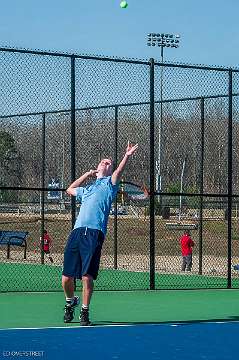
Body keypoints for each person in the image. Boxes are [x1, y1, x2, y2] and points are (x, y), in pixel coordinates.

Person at [62, 141, 138, 325]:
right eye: (103, 162)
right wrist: (86, 175)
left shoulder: (110, 184)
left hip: (94, 234)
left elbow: (119, 171)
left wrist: (126, 156)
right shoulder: (87, 189)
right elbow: (69, 189)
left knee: (87, 277)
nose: (106, 163)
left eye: (109, 163)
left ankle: (85, 312)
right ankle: (70, 302)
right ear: (97, 167)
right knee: (66, 278)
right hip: (77, 232)